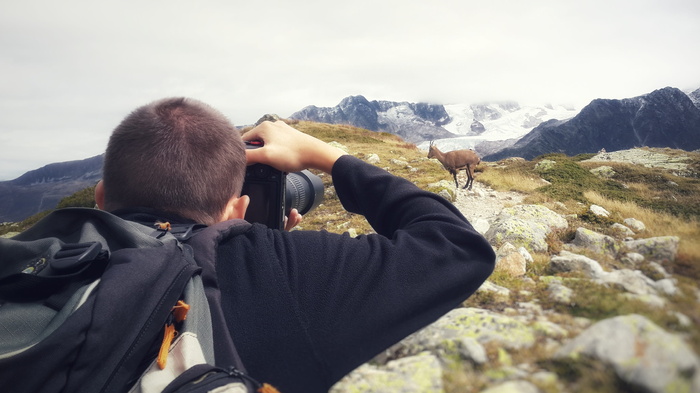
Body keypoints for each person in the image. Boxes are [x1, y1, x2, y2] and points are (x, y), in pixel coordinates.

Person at [95, 97, 495, 393]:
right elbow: (458, 246)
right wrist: (328, 156)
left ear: (99, 197)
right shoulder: (288, 274)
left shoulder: (41, 261)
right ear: (238, 210)